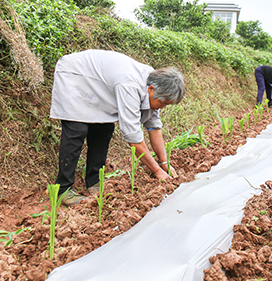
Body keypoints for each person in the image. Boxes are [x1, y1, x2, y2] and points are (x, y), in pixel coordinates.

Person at [50, 49, 185, 206]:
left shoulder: (154, 84)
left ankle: (94, 181)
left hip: (99, 85)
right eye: (164, 103)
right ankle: (63, 190)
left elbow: (154, 127)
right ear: (151, 90)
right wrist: (156, 171)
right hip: (76, 74)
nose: (163, 107)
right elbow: (133, 138)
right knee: (77, 130)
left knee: (104, 129)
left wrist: (164, 162)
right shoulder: (130, 85)